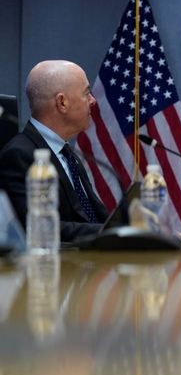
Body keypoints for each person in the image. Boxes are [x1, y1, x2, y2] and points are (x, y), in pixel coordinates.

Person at [0, 60, 107, 241]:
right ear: (62, 102)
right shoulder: (19, 155)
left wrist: (128, 228)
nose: (93, 101)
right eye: (86, 93)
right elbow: (39, 227)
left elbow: (93, 215)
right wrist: (107, 232)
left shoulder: (67, 153)